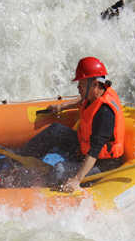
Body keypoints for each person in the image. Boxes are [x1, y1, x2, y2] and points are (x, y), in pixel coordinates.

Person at [21, 57, 125, 192]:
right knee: (55, 130)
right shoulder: (97, 92)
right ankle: (19, 160)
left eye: (81, 83)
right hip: (84, 146)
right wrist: (63, 106)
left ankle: (31, 187)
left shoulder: (104, 113)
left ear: (94, 84)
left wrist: (76, 179)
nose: (78, 87)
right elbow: (83, 99)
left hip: (102, 164)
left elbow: (94, 152)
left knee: (59, 170)